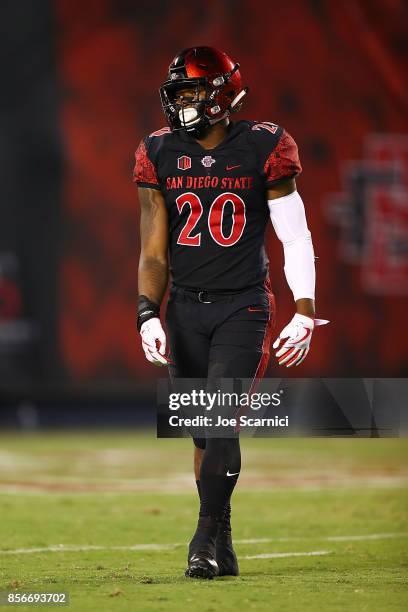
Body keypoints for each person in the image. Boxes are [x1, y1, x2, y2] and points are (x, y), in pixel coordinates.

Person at [133, 46, 327, 579]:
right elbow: (153, 249)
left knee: (220, 422)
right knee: (204, 433)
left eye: (193, 91)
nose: (183, 103)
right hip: (185, 310)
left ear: (222, 94)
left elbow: (294, 233)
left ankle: (201, 540)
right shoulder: (158, 151)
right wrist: (147, 311)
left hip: (243, 305)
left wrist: (304, 308)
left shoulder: (263, 145)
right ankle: (224, 538)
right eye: (179, 93)